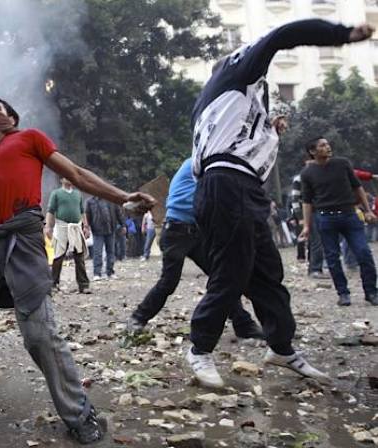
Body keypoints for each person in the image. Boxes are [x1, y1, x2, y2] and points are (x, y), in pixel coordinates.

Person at [0, 97, 155, 444]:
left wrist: (122, 198)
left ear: (12, 118)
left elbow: (76, 174)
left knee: (40, 334)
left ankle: (78, 413)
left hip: (24, 240)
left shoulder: (30, 138)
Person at [187, 18, 373, 388]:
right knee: (231, 272)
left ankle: (282, 347)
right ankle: (199, 348)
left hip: (242, 188)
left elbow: (241, 142)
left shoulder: (225, 105)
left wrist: (270, 132)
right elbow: (283, 35)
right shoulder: (235, 71)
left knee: (268, 273)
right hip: (226, 186)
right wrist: (341, 35)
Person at [127, 158, 263, 340]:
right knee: (169, 281)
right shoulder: (203, 163)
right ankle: (137, 318)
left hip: (197, 231)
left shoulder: (207, 164)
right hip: (177, 230)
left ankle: (243, 325)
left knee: (222, 278)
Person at [299, 137, 378, 306]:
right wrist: (306, 226)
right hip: (326, 218)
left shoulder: (342, 164)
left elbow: (358, 188)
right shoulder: (307, 174)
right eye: (322, 145)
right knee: (333, 258)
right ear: (313, 152)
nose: (327, 147)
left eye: (327, 144)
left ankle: (371, 291)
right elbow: (307, 201)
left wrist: (368, 211)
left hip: (350, 215)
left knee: (364, 253)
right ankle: (343, 293)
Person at [45, 177, 91, 294]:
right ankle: (53, 284)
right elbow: (50, 211)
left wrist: (85, 226)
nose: (69, 179)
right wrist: (48, 227)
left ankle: (83, 285)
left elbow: (82, 211)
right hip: (61, 227)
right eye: (66, 176)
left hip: (76, 228)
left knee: (79, 256)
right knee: (58, 257)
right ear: (61, 179)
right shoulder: (56, 193)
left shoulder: (77, 194)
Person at [85, 196, 124, 280]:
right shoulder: (90, 201)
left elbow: (118, 212)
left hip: (111, 229)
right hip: (97, 230)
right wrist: (86, 227)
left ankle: (110, 272)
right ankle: (97, 273)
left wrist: (123, 225)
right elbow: (87, 215)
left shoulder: (112, 199)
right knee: (97, 252)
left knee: (111, 252)